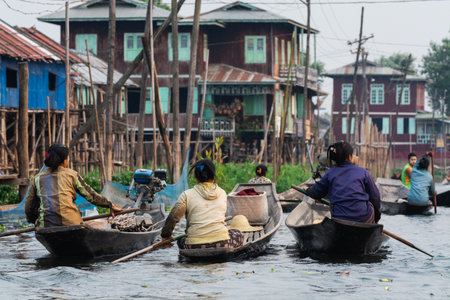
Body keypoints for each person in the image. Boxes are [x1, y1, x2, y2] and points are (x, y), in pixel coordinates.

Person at [25, 144, 121, 227]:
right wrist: (110, 205)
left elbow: (29, 206)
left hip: (45, 225)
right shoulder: (72, 175)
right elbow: (91, 196)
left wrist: (34, 221)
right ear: (64, 160)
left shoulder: (37, 178)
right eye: (68, 157)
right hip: (71, 224)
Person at [161, 159, 244, 250]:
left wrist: (166, 235)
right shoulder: (223, 193)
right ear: (213, 176)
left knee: (181, 239)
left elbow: (173, 217)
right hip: (221, 243)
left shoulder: (186, 195)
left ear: (196, 177)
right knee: (238, 234)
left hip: (193, 246)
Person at [306, 141, 381, 224]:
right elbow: (375, 197)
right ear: (350, 157)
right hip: (363, 218)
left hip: (339, 219)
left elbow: (317, 192)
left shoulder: (330, 173)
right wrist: (376, 219)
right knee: (370, 202)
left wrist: (308, 190)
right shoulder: (363, 172)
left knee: (333, 204)